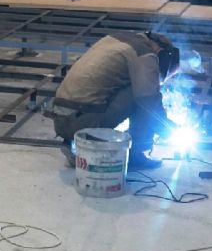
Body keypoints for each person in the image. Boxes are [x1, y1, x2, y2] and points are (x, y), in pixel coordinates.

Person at [48, 31, 180, 169]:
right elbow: (147, 99)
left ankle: (73, 143)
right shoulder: (145, 54)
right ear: (160, 53)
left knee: (127, 88)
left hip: (61, 119)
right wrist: (166, 128)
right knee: (142, 96)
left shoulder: (114, 39)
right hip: (83, 122)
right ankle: (135, 154)